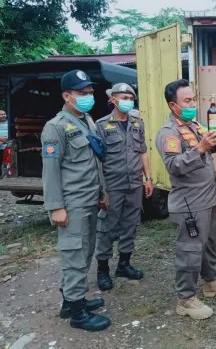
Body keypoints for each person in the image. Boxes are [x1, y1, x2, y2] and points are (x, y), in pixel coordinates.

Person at [155, 79, 216, 320]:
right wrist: (199, 148)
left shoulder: (194, 125)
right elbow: (174, 166)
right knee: (190, 249)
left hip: (207, 198)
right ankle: (185, 299)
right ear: (174, 106)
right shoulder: (169, 133)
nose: (193, 103)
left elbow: (212, 147)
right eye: (187, 101)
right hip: (189, 204)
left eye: (194, 99)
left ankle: (211, 281)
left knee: (208, 243)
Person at [41, 70, 111, 331]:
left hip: (90, 200)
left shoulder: (87, 121)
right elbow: (50, 171)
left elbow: (95, 162)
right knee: (75, 256)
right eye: (82, 94)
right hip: (71, 204)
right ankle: (78, 314)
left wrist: (102, 192)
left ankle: (71, 301)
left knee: (85, 252)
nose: (88, 97)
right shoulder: (55, 127)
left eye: (90, 93)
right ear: (67, 96)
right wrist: (56, 207)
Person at [95, 83, 153, 291]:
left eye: (130, 97)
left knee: (131, 224)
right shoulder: (101, 125)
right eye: (123, 97)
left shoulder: (137, 122)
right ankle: (102, 269)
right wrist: (101, 191)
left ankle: (124, 264)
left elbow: (143, 151)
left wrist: (148, 178)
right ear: (112, 99)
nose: (127, 100)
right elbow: (97, 161)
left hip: (135, 183)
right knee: (107, 227)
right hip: (113, 185)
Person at [0, 109, 7, 177]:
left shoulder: (8, 123)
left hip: (6, 145)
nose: (3, 115)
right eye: (1, 114)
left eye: (4, 114)